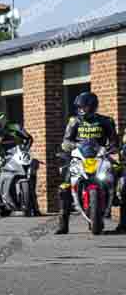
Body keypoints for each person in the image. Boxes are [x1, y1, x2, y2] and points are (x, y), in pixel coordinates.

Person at [56, 92, 118, 234]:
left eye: (85, 107)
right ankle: (63, 223)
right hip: (80, 157)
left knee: (119, 176)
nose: (82, 110)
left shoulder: (106, 121)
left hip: (100, 156)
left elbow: (114, 140)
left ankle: (116, 203)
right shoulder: (74, 121)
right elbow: (66, 140)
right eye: (80, 107)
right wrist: (70, 146)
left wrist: (113, 147)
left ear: (93, 107)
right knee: (64, 186)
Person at [0, 112, 34, 218]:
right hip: (3, 157)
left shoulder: (15, 127)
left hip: (18, 155)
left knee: (32, 175)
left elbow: (29, 138)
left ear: (1, 123)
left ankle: (33, 206)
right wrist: (0, 159)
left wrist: (25, 150)